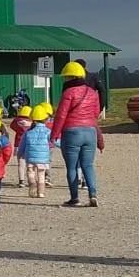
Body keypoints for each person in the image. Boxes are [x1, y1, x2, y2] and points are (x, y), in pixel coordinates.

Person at [49, 61, 103, 207]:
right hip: (90, 131)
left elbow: (61, 116)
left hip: (72, 131)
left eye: (66, 77)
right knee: (88, 165)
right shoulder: (92, 93)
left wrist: (54, 136)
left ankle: (75, 198)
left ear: (71, 77)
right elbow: (95, 113)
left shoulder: (68, 93)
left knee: (72, 167)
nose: (65, 79)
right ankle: (93, 194)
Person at [19, 103, 53, 198]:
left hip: (30, 157)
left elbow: (22, 145)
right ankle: (41, 193)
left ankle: (32, 185)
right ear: (45, 119)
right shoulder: (47, 131)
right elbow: (54, 141)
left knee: (30, 172)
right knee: (41, 174)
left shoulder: (28, 132)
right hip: (43, 158)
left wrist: (20, 154)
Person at [9, 104, 34, 189]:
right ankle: (31, 181)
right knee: (30, 164)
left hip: (19, 144)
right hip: (30, 144)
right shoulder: (32, 122)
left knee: (21, 163)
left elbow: (11, 126)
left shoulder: (17, 121)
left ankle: (21, 181)